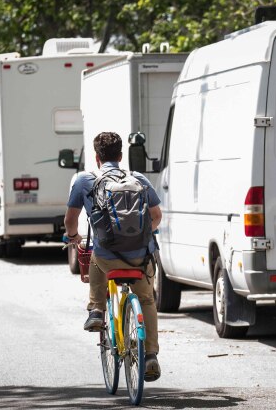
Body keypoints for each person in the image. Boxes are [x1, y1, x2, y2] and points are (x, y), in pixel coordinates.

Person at [64, 132, 162, 381]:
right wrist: (142, 236)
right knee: (147, 300)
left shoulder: (84, 180)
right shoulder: (137, 178)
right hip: (140, 258)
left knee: (96, 256)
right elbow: (157, 215)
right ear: (121, 156)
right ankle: (150, 356)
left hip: (107, 257)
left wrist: (73, 236)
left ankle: (96, 310)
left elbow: (70, 220)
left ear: (97, 157)